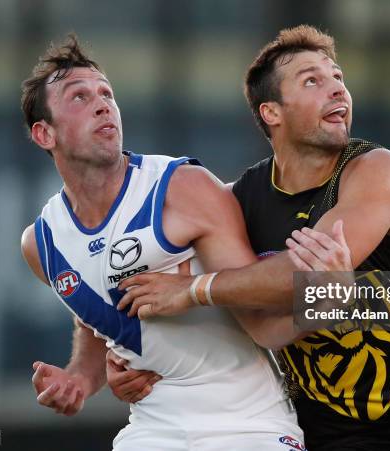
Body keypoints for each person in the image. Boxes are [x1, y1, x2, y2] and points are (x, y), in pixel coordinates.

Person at [110, 25, 390, 451]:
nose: (337, 90)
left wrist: (195, 290)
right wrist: (130, 359)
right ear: (271, 112)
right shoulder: (239, 200)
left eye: (338, 78)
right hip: (323, 436)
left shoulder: (377, 170)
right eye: (312, 80)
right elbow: (147, 270)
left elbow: (298, 272)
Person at [19, 33, 354, 450]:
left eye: (107, 93)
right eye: (79, 98)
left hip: (247, 424)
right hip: (153, 427)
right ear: (44, 135)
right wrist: (81, 379)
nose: (103, 104)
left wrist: (327, 302)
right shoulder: (42, 245)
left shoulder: (182, 188)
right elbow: (93, 314)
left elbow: (262, 322)